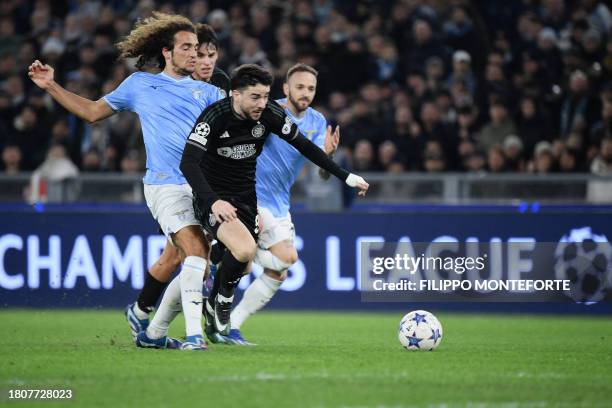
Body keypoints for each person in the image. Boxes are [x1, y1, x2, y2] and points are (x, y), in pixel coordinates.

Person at [28, 12, 223, 351]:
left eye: (197, 48)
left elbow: (247, 121)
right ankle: (194, 337)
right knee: (194, 253)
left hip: (201, 187)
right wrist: (51, 86)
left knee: (185, 259)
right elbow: (91, 113)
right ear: (167, 51)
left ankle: (147, 324)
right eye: (187, 47)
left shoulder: (208, 93)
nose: (194, 54)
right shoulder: (140, 84)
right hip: (165, 184)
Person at [154, 64, 367, 340]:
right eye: (255, 96)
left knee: (244, 263)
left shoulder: (273, 114)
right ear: (235, 95)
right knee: (244, 253)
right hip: (217, 199)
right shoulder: (215, 116)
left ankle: (161, 327)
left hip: (249, 200)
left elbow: (304, 146)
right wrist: (212, 201)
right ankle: (218, 305)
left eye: (265, 96)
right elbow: (189, 161)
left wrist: (346, 176)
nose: (262, 103)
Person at [211, 63, 339, 345]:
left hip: (280, 203)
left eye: (311, 89)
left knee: (275, 272)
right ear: (286, 89)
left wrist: (327, 157)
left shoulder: (317, 122)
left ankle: (230, 326)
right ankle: (230, 258)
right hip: (252, 197)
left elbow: (322, 174)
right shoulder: (267, 111)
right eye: (300, 87)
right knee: (286, 258)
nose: (305, 93)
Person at [124, 22, 232, 342]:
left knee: (177, 257)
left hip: (202, 184)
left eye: (211, 54)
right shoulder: (169, 85)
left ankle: (144, 316)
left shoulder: (218, 87)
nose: (206, 60)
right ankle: (170, 326)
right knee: (190, 255)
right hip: (173, 183)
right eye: (199, 54)